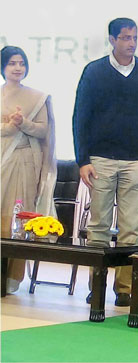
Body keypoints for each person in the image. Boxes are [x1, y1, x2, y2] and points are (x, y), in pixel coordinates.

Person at [72, 18, 138, 307]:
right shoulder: (94, 71)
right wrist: (82, 160)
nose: (131, 43)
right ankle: (96, 285)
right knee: (99, 225)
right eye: (125, 38)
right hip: (100, 159)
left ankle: (124, 289)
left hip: (136, 160)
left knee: (130, 228)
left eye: (135, 38)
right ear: (112, 40)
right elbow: (80, 118)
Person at [1, 46, 57, 293]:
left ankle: (10, 279)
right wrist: (9, 127)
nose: (17, 68)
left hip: (23, 162)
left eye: (21, 63)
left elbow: (44, 131)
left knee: (17, 217)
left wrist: (23, 123)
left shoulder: (37, 97)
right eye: (12, 63)